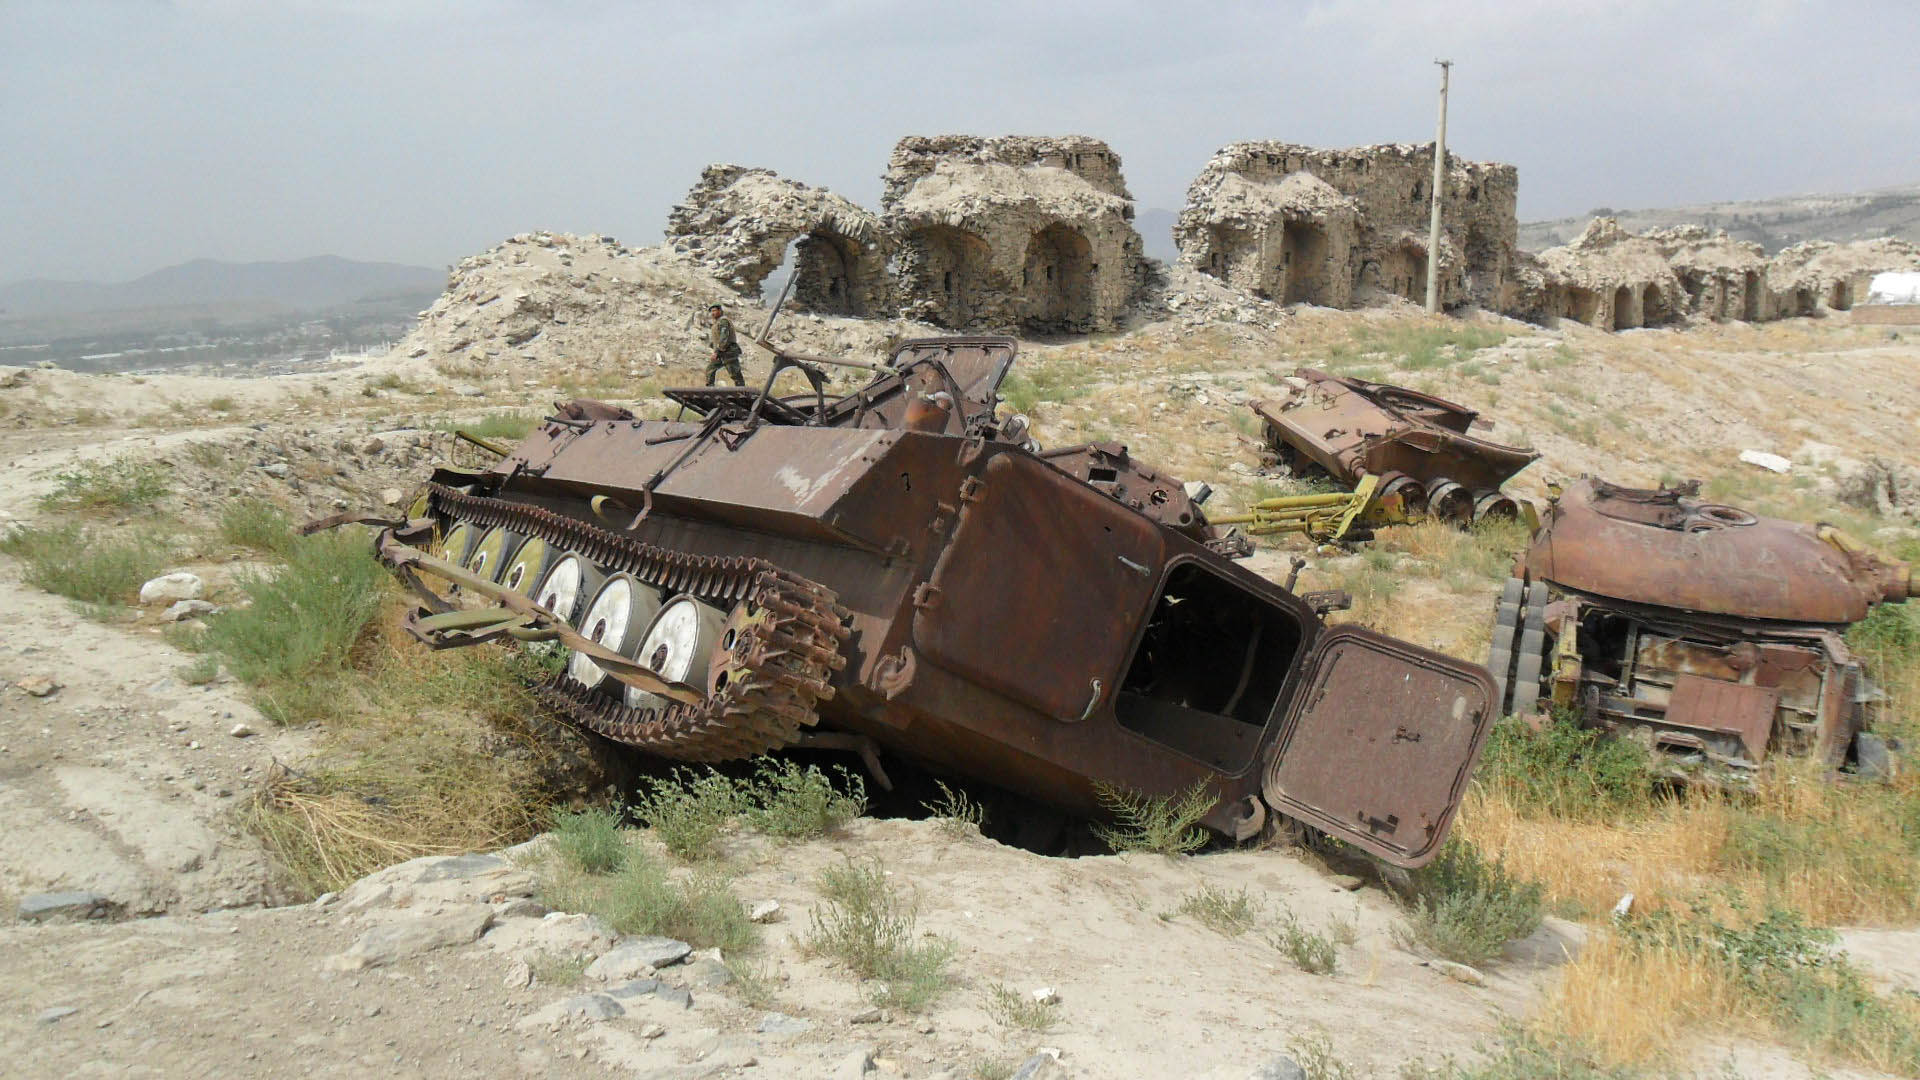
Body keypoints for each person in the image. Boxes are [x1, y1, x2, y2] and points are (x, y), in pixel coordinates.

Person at [704, 304, 745, 387]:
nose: (712, 313)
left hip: (729, 351)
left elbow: (724, 338)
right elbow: (717, 338)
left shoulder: (723, 321)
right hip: (721, 352)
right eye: (711, 311)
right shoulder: (717, 323)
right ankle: (710, 390)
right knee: (710, 370)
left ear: (720, 311)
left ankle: (742, 392)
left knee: (735, 374)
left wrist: (716, 352)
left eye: (714, 311)